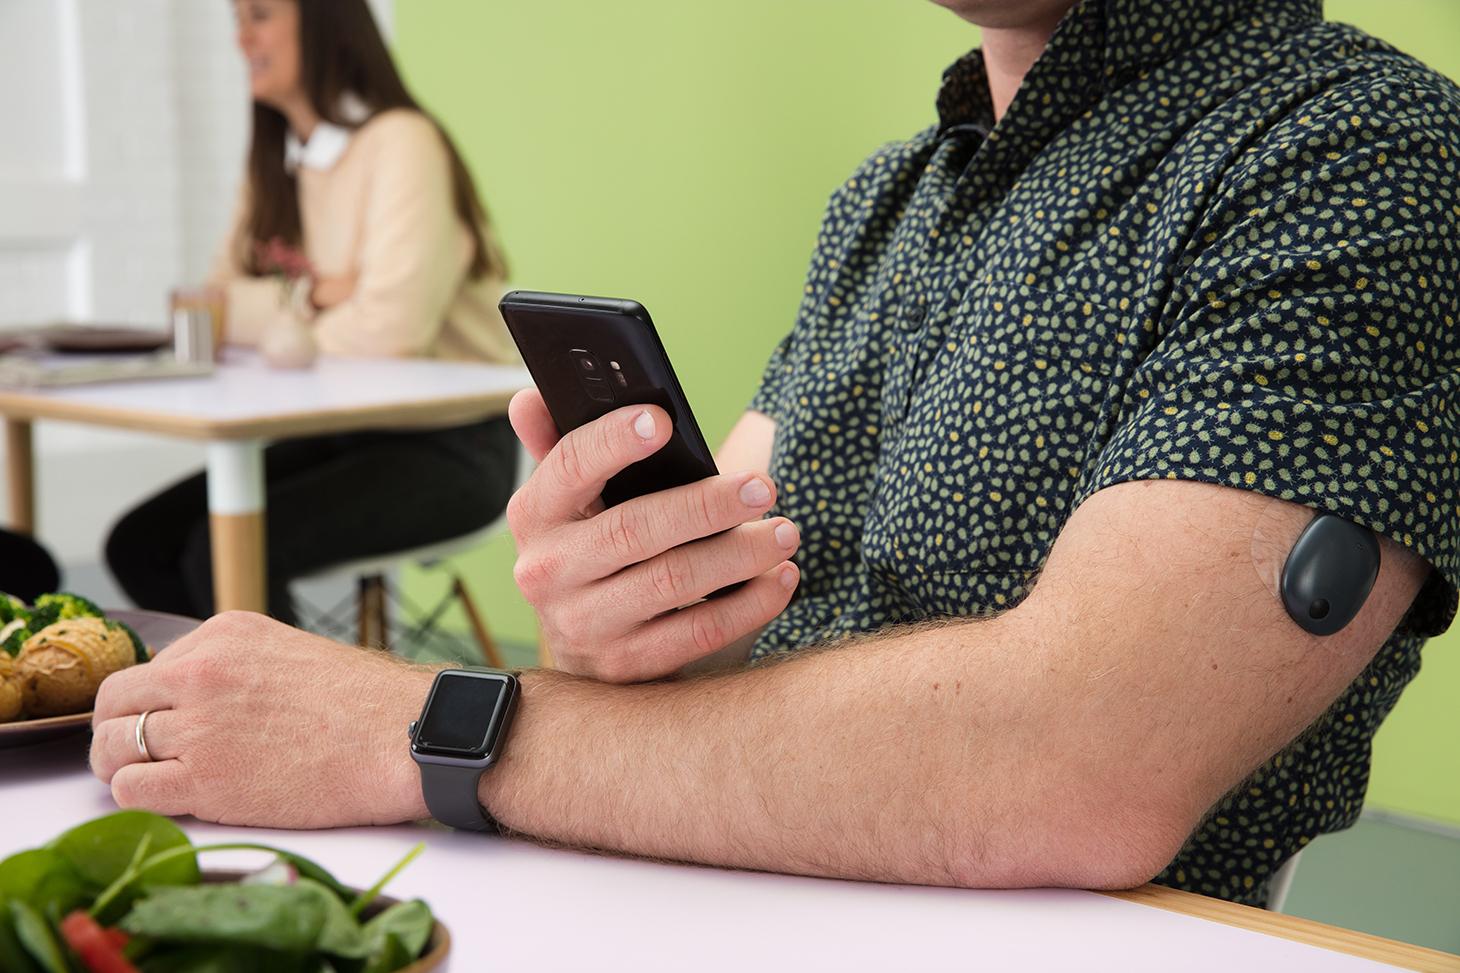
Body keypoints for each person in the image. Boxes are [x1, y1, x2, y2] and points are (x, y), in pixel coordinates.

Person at [90, 0, 1460, 907]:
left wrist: (426, 731)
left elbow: (1082, 765)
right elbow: (715, 641)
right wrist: (625, 621)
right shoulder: (885, 199)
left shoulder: (1358, 153)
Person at [104, 0, 519, 625]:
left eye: (260, 16)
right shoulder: (278, 157)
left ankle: (286, 714)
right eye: (236, 21)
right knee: (139, 545)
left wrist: (275, 304)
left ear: (324, 23)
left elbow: (390, 331)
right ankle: (213, 712)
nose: (241, 39)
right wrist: (320, 292)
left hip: (451, 448)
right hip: (338, 435)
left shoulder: (402, 142)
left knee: (223, 556)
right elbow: (209, 305)